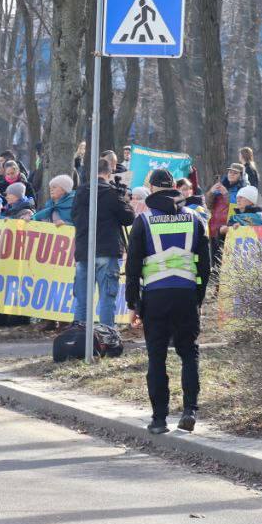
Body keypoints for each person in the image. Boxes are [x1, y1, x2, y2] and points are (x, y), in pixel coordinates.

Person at [124, 168, 212, 435]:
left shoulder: (144, 221)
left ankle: (159, 419)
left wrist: (133, 304)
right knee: (189, 354)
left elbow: (133, 267)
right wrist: (198, 297)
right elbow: (205, 265)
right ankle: (189, 411)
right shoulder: (195, 219)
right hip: (186, 295)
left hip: (156, 298)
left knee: (157, 357)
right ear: (174, 187)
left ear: (151, 188)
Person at [72, 157, 135, 328]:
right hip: (107, 249)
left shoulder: (81, 191)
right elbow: (128, 218)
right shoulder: (112, 192)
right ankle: (107, 337)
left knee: (82, 299)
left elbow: (74, 216)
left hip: (84, 250)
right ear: (109, 173)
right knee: (107, 298)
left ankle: (79, 337)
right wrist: (125, 199)